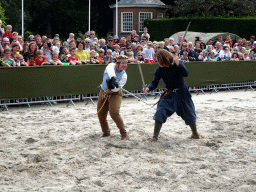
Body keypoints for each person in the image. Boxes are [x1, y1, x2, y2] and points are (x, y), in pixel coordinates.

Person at [144, 49, 201, 141]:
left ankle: (195, 134)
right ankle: (155, 137)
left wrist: (178, 64)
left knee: (189, 114)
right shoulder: (159, 70)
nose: (157, 62)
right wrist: (148, 88)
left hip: (182, 93)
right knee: (160, 111)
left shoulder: (177, 64)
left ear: (164, 59)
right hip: (169, 94)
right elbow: (154, 83)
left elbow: (186, 74)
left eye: (158, 60)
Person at [97, 55, 129, 140]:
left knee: (114, 112)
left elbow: (118, 88)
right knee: (101, 113)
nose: (124, 65)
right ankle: (106, 132)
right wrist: (113, 78)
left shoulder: (124, 76)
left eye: (126, 63)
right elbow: (110, 71)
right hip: (103, 91)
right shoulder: (111, 65)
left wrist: (113, 87)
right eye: (122, 63)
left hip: (115, 93)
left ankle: (123, 133)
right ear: (117, 63)